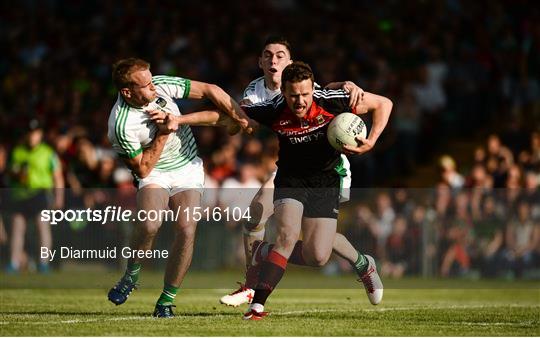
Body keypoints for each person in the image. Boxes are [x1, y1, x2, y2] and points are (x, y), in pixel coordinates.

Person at [178, 61, 392, 319]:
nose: (300, 101)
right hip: (291, 179)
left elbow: (384, 104)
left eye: (305, 94)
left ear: (313, 89)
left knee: (317, 256)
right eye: (293, 96)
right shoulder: (273, 109)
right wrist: (180, 119)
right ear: (284, 94)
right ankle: (257, 306)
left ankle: (362, 264)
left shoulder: (332, 100)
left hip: (326, 180)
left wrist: (371, 141)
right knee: (286, 236)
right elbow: (226, 115)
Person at [220, 36, 371, 307]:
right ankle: (251, 285)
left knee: (316, 241)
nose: (273, 59)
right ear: (260, 62)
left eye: (279, 55)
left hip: (328, 168)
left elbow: (329, 92)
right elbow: (246, 119)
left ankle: (362, 263)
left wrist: (346, 85)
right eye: (267, 55)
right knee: (260, 214)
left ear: (290, 63)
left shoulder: (302, 85)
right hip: (289, 168)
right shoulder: (254, 91)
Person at [106, 57, 252, 318]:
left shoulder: (161, 85)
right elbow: (142, 170)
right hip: (154, 173)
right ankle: (132, 274)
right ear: (127, 91)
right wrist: (164, 133)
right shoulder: (121, 124)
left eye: (152, 80)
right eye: (146, 85)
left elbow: (210, 90)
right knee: (150, 224)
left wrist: (239, 118)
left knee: (186, 229)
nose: (154, 87)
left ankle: (166, 300)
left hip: (187, 168)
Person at [6, 119, 64, 273]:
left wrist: (59, 197)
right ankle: (14, 263)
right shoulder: (17, 151)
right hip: (20, 195)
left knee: (42, 229)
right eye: (29, 133)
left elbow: (57, 176)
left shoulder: (48, 153)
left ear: (40, 134)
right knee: (17, 229)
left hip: (40, 194)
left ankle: (43, 263)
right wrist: (16, 172)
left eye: (35, 133)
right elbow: (10, 172)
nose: (32, 136)